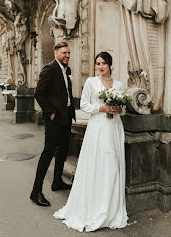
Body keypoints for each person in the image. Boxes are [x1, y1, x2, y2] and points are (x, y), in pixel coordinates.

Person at [53, 52, 128, 232]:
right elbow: (84, 105)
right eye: (97, 64)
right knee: (100, 164)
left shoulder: (119, 85)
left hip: (115, 128)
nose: (100, 67)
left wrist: (118, 109)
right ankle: (95, 207)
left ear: (110, 64)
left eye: (103, 63)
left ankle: (111, 208)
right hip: (98, 128)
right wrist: (101, 107)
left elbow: (124, 110)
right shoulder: (91, 83)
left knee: (114, 166)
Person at [30, 41, 76, 207]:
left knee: (63, 151)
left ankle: (57, 181)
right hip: (55, 119)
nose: (67, 56)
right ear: (56, 53)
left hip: (67, 117)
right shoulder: (49, 69)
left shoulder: (67, 70)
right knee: (48, 153)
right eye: (64, 53)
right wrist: (50, 112)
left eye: (69, 53)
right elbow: (38, 93)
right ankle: (36, 192)